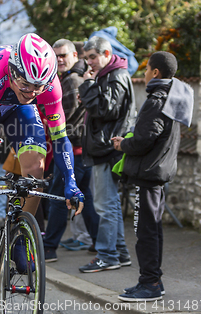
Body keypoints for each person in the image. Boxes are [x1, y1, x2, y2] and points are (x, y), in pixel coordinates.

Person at [0, 33, 84, 312]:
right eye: (26, 84)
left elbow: (60, 140)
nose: (32, 91)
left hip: (19, 113)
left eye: (38, 86)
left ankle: (20, 237)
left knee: (35, 171)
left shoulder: (48, 86)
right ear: (12, 70)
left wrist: (71, 181)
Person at [112, 51, 193, 301]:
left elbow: (145, 139)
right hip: (157, 173)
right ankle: (151, 280)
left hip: (148, 175)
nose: (144, 74)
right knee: (152, 229)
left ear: (155, 72)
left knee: (145, 231)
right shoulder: (172, 97)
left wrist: (122, 144)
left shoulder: (157, 99)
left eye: (147, 69)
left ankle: (150, 285)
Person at [78, 36, 135, 273]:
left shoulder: (117, 76)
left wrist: (88, 87)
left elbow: (105, 109)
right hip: (105, 147)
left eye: (93, 57)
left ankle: (107, 255)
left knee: (105, 205)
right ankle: (119, 253)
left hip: (108, 149)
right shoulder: (108, 75)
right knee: (107, 203)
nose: (89, 62)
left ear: (107, 54)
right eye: (87, 58)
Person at [43, 39, 100, 262]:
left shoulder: (72, 81)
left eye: (63, 55)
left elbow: (66, 120)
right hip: (81, 150)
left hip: (72, 150)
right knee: (84, 196)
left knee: (58, 197)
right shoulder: (74, 78)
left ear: (75, 55)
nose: (59, 60)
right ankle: (99, 241)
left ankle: (49, 248)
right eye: (56, 56)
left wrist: (49, 123)